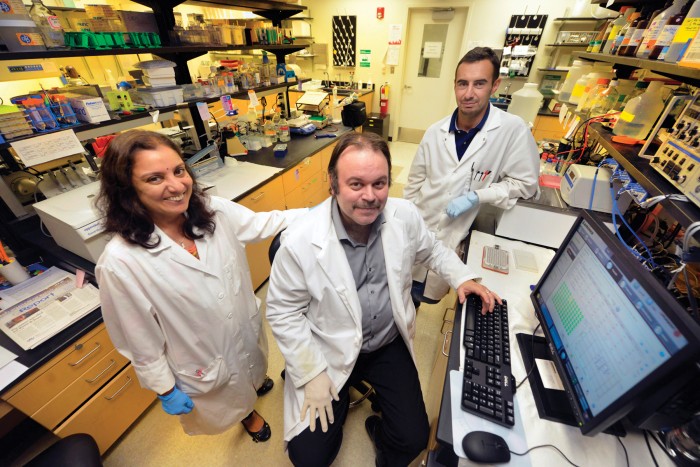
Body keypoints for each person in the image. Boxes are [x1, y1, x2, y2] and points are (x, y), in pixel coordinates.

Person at [265, 132, 500, 466]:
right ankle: (337, 396)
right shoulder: (301, 241)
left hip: (385, 344)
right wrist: (312, 372)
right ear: (333, 185)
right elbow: (282, 313)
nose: (370, 197)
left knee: (412, 439)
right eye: (356, 184)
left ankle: (378, 433)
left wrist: (462, 276)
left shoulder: (403, 216)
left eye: (380, 183)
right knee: (309, 458)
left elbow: (432, 249)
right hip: (328, 349)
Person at [94, 130, 306, 440]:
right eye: (155, 179)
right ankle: (247, 415)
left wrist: (320, 213)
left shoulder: (213, 210)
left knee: (252, 367)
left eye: (179, 170)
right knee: (229, 396)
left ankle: (254, 384)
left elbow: (263, 223)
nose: (177, 186)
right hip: (203, 361)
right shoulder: (121, 263)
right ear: (127, 191)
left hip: (243, 329)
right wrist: (165, 389)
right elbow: (140, 341)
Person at [404, 47, 540, 305]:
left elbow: (526, 185)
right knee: (406, 293)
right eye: (462, 84)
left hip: (455, 235)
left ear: (495, 85)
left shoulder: (512, 130)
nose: (468, 93)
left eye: (479, 84)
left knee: (430, 291)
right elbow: (413, 186)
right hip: (419, 228)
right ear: (454, 85)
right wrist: (404, 227)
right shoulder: (435, 131)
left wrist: (478, 196)